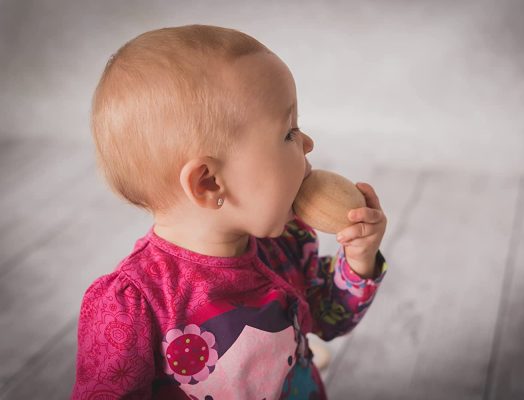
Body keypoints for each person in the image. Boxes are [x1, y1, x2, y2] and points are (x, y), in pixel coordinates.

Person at [72, 24, 389, 400]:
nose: (307, 142)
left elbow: (326, 317)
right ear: (209, 183)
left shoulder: (286, 243)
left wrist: (358, 260)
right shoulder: (135, 305)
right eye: (288, 132)